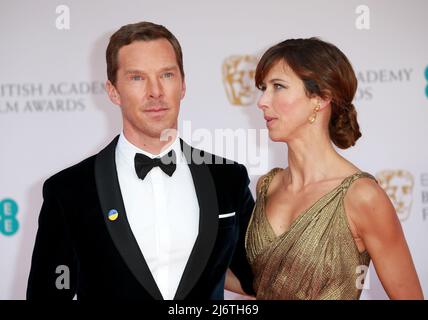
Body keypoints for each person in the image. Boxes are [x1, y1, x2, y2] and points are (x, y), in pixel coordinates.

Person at [27, 21, 254, 300]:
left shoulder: (228, 178)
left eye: (167, 75)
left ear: (182, 85)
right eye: (137, 78)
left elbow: (257, 278)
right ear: (113, 91)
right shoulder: (69, 190)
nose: (155, 91)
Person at [226, 38, 423, 300]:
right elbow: (265, 286)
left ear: (321, 98)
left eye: (278, 87)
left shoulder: (362, 196)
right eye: (264, 88)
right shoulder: (268, 185)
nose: (262, 101)